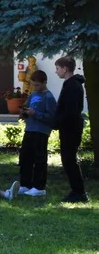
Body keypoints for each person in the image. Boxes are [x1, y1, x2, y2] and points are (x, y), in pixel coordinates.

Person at [13, 70, 57, 199]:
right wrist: (24, 113)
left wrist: (35, 114)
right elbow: (27, 107)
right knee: (25, 157)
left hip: (41, 132)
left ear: (44, 82)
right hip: (30, 129)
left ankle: (39, 187)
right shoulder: (33, 95)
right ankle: (25, 184)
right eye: (33, 85)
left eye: (37, 85)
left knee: (39, 159)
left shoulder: (48, 97)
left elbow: (52, 117)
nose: (35, 87)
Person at [53, 57, 88, 202]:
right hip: (69, 126)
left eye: (57, 68)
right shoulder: (71, 84)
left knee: (69, 159)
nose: (56, 72)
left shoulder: (72, 86)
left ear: (65, 68)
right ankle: (77, 191)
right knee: (68, 159)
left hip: (71, 127)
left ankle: (79, 192)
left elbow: (70, 110)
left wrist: (57, 122)